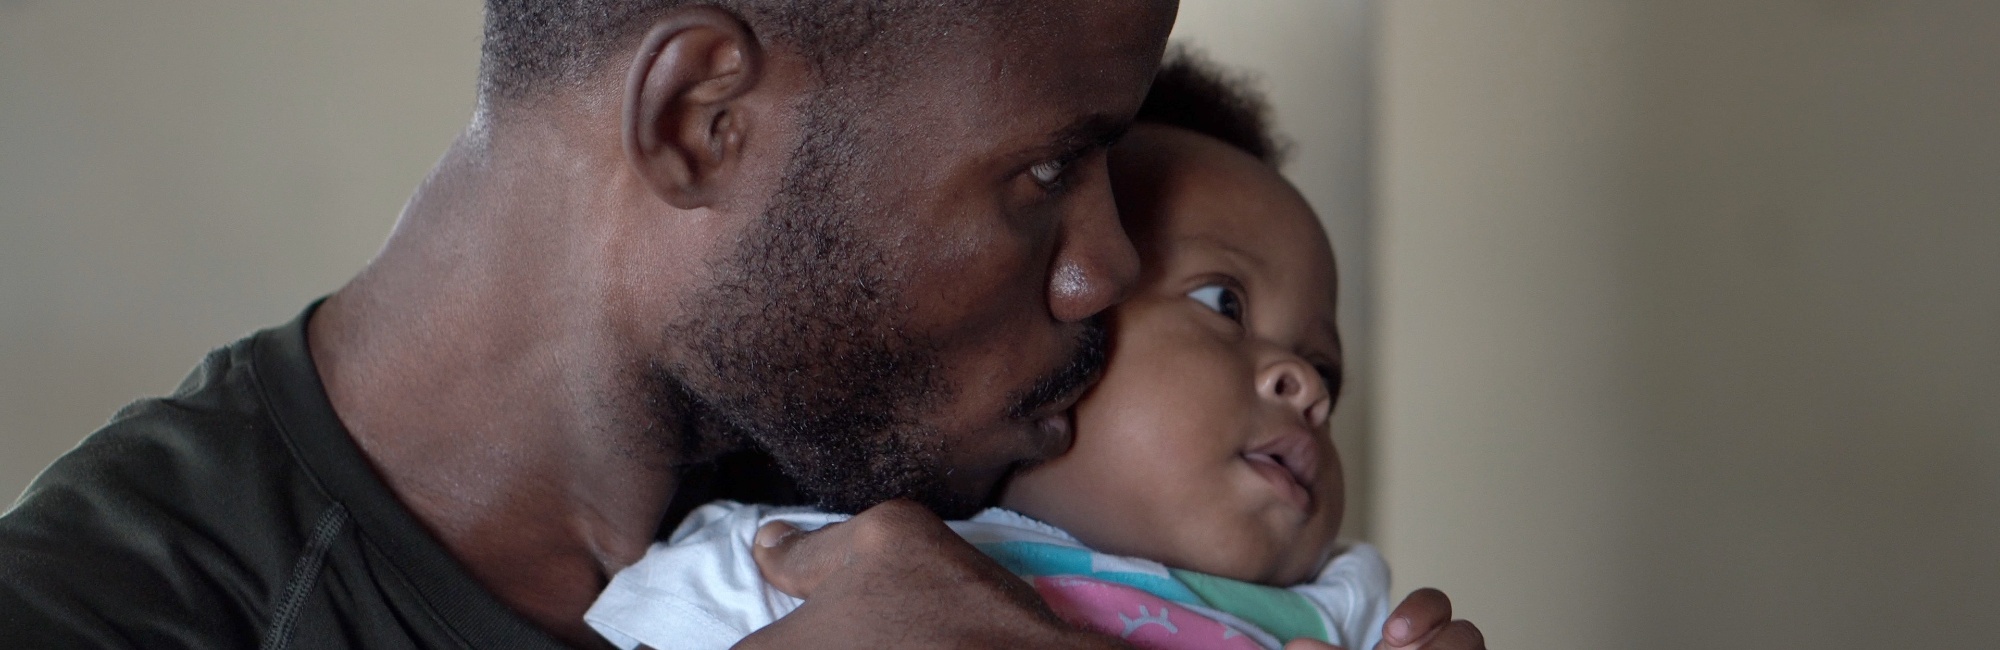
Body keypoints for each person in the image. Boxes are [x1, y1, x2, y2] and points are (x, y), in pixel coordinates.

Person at [0, 1, 1484, 648]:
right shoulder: (120, 610)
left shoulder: (969, 466)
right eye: (1044, 170)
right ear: (703, 118)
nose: (1102, 268)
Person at [580, 50, 1482, 650]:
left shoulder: (1346, 606)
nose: (1307, 389)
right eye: (1223, 302)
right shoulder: (815, 562)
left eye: (1325, 370)